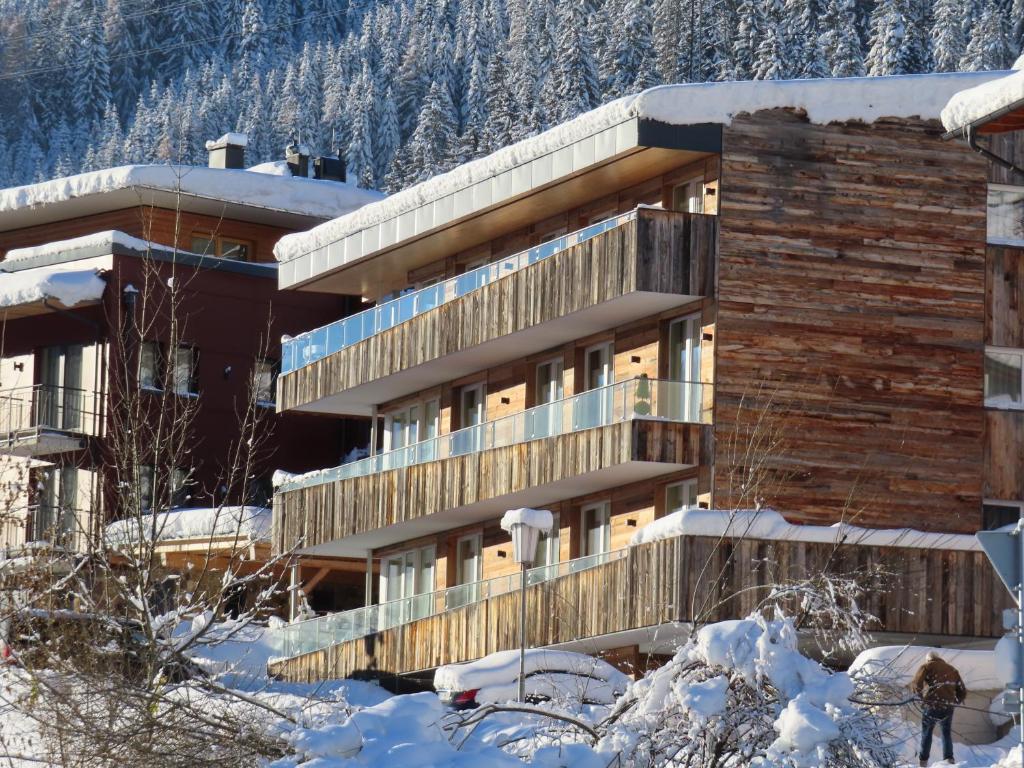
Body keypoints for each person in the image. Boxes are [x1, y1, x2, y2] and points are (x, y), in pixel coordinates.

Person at [912, 651, 966, 766]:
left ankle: (923, 762)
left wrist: (922, 699)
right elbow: (962, 691)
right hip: (947, 706)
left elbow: (916, 684)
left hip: (931, 705)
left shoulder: (927, 666)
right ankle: (949, 759)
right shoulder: (952, 669)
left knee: (927, 733)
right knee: (946, 733)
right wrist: (954, 702)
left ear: (928, 659)